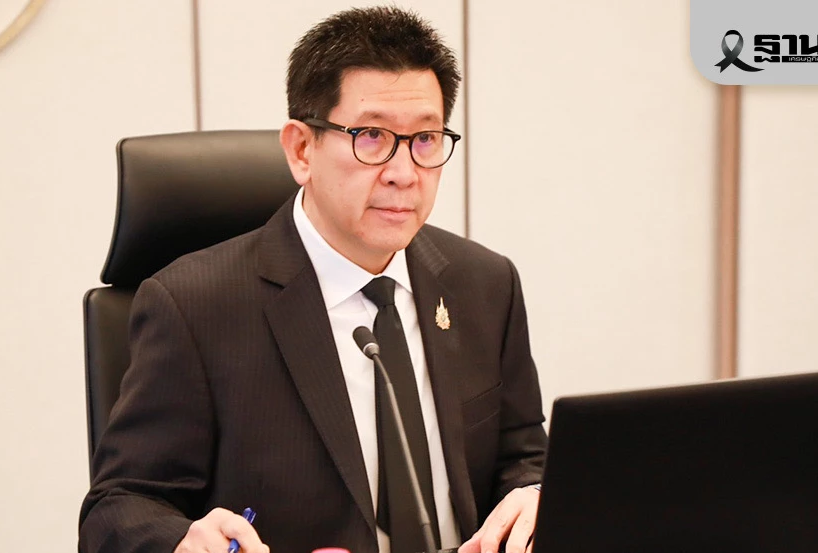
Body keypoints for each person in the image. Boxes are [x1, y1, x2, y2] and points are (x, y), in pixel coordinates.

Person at [78, 6, 546, 553]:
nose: (404, 173)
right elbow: (117, 508)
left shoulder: (484, 283)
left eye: (425, 139)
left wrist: (534, 493)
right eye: (372, 136)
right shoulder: (194, 305)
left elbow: (522, 457)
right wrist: (182, 539)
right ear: (302, 149)